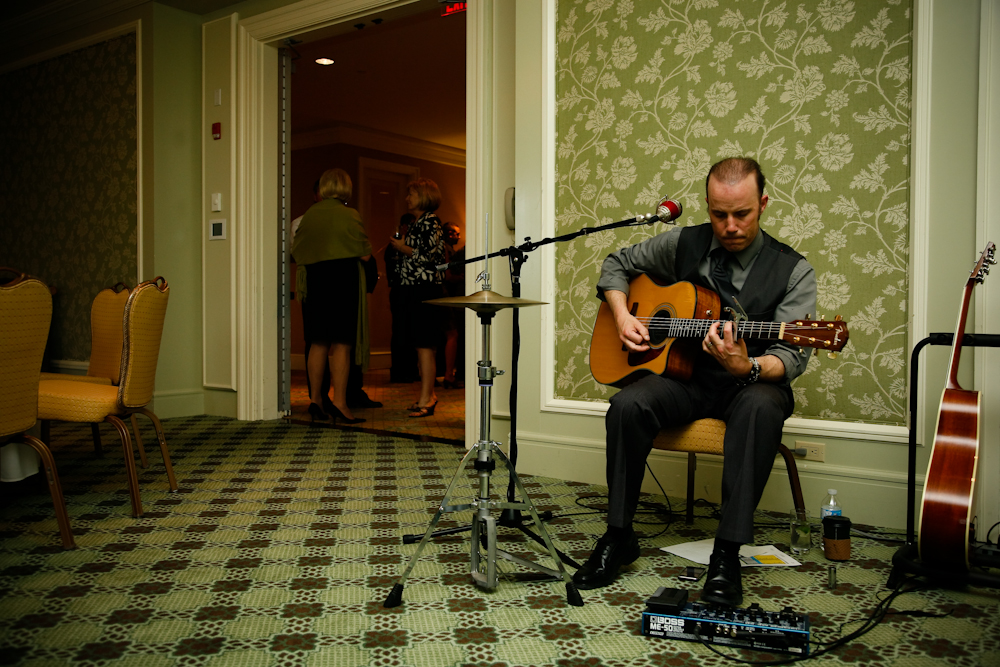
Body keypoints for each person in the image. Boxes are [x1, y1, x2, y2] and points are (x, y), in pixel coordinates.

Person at [574, 157, 817, 607]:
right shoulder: (683, 243)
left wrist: (747, 367)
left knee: (762, 405)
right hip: (685, 378)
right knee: (627, 405)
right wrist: (624, 315)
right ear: (707, 205)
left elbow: (792, 354)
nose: (729, 226)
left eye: (741, 213)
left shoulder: (793, 270)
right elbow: (615, 265)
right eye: (718, 214)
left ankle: (726, 553)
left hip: (750, 383)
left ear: (762, 204)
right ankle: (619, 535)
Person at [290, 168, 372, 425]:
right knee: (342, 346)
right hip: (342, 281)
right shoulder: (349, 215)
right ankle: (339, 403)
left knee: (318, 342)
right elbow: (365, 253)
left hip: (314, 282)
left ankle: (316, 401)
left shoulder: (310, 215)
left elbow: (297, 250)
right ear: (345, 188)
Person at [388, 178, 447, 418]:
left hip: (425, 289)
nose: (407, 198)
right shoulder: (418, 223)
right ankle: (426, 395)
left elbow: (428, 257)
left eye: (411, 194)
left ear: (423, 196)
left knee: (425, 345)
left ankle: (427, 398)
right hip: (413, 289)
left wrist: (402, 248)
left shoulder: (431, 222)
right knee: (419, 344)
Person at [385, 213, 419, 383]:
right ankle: (399, 371)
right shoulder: (393, 247)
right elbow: (391, 267)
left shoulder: (413, 244)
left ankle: (412, 371)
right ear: (404, 226)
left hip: (411, 291)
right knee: (399, 331)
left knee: (413, 331)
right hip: (399, 291)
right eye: (411, 225)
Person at [441, 222, 465, 388]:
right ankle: (449, 375)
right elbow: (447, 275)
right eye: (453, 233)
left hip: (448, 296)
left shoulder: (450, 250)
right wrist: (462, 278)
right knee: (452, 334)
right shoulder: (444, 248)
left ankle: (448, 373)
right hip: (446, 295)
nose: (457, 236)